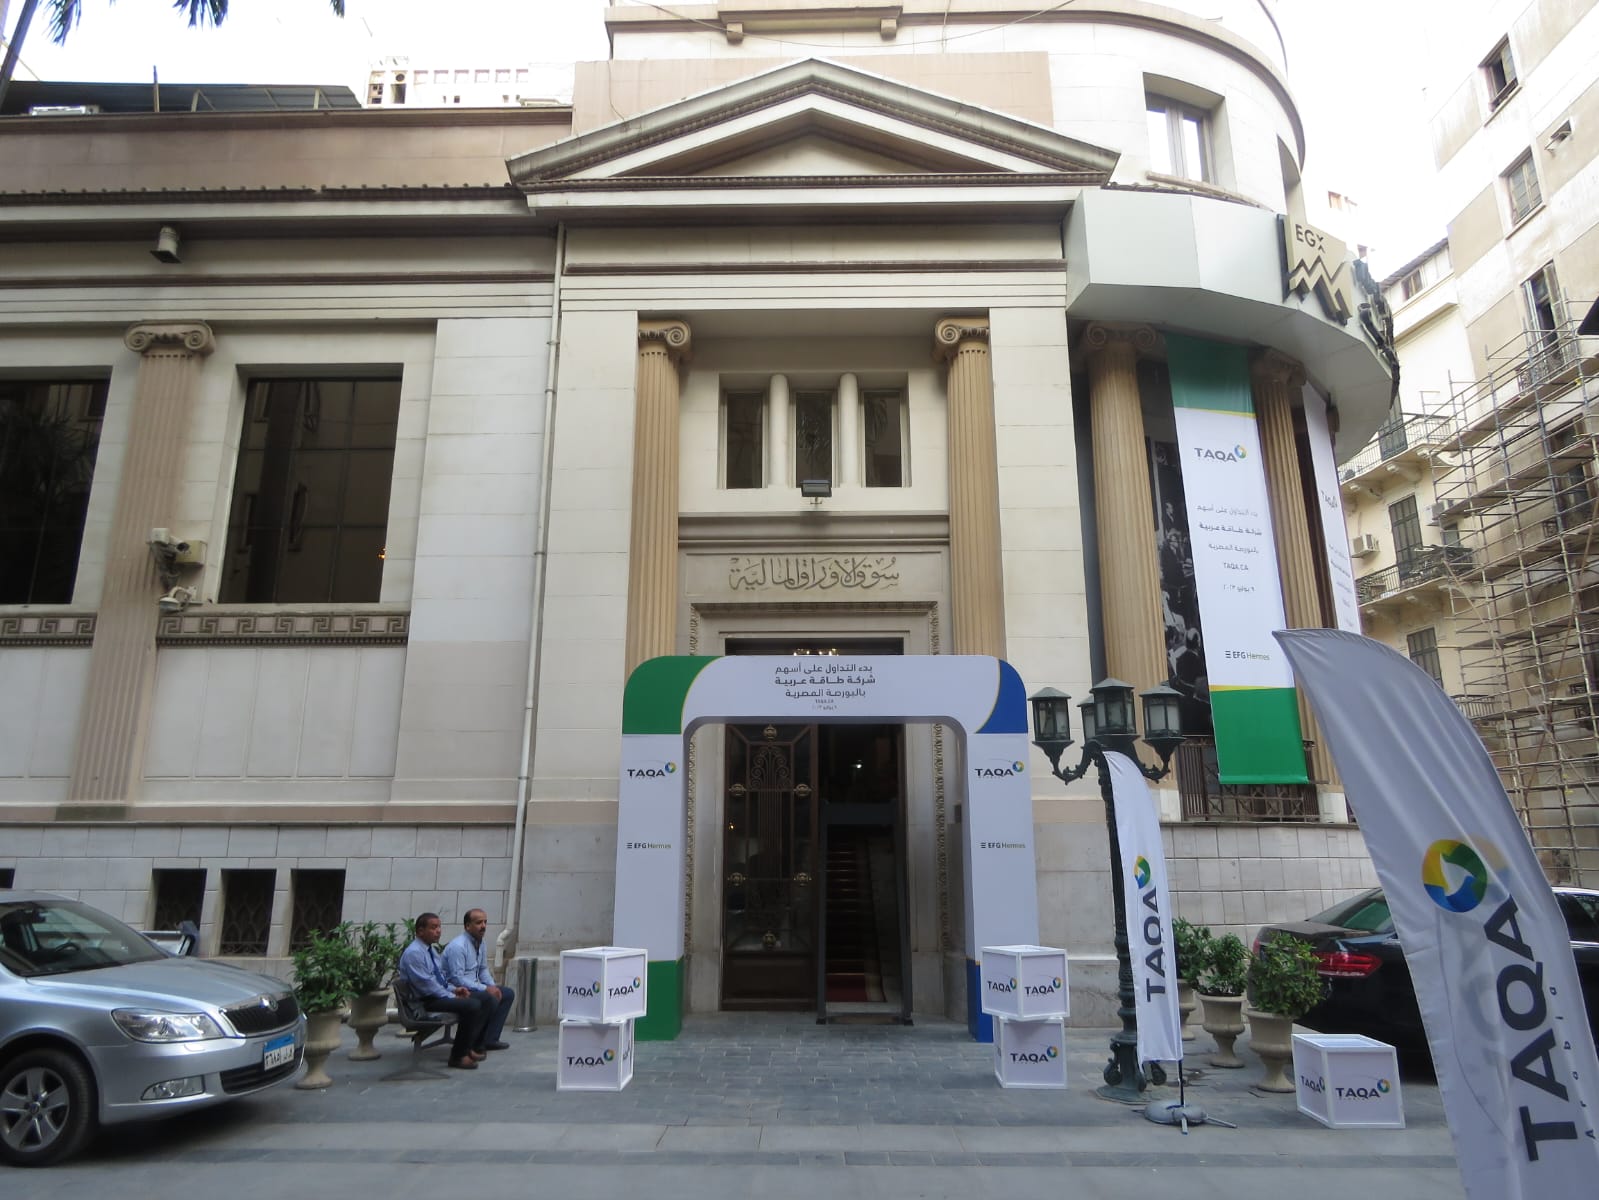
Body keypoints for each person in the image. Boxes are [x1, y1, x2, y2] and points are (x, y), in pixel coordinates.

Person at [397, 911, 494, 1070]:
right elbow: (427, 986)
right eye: (433, 927)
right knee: (472, 1005)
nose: (438, 931)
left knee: (485, 998)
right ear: (420, 931)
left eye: (439, 927)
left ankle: (471, 1046)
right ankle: (458, 1056)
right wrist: (451, 996)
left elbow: (439, 979)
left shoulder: (430, 950)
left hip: (434, 995)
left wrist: (455, 990)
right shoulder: (414, 953)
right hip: (422, 1002)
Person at [441, 908, 515, 1052]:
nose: (483, 926)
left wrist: (493, 987)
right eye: (479, 923)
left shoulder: (481, 943)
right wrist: (486, 989)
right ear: (467, 926)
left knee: (507, 994)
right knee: (489, 998)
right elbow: (457, 979)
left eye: (485, 922)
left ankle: (490, 1039)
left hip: (474, 986)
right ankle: (474, 1042)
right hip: (458, 990)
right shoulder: (458, 946)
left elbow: (482, 969)